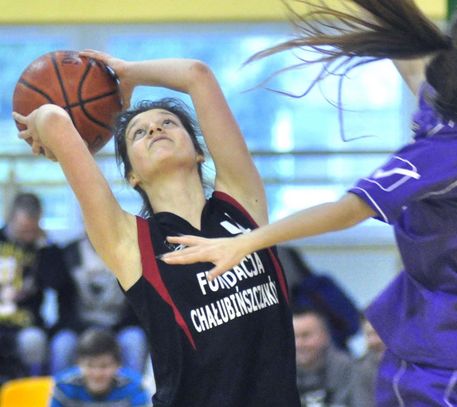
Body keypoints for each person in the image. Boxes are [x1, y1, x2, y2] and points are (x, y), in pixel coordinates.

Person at [155, 1, 457, 405]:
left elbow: (411, 63)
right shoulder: (451, 154)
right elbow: (348, 209)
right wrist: (245, 241)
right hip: (438, 362)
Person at [14, 51, 300, 406]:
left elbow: (197, 75)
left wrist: (130, 71)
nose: (155, 129)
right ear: (132, 175)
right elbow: (55, 119)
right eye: (138, 132)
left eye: (168, 122)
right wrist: (44, 118)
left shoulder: (242, 202)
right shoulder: (132, 243)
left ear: (199, 152)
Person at [50, 234, 147, 374]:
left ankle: (133, 387)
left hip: (120, 325)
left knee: (135, 340)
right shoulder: (69, 253)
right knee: (62, 344)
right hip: (78, 327)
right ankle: (61, 387)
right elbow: (63, 302)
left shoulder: (131, 252)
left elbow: (138, 302)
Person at [0, 192, 72, 381]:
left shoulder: (45, 248)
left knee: (34, 341)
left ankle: (34, 389)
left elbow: (55, 283)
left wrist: (45, 248)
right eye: (23, 229)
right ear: (10, 218)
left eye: (33, 229)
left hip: (27, 322)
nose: (28, 235)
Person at [51, 328, 150, 406]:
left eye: (104, 366)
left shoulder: (134, 387)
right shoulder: (63, 387)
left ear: (118, 365)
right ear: (78, 364)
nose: (97, 374)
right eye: (90, 365)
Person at [293, 307, 356, 407]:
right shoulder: (277, 374)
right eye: (293, 337)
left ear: (325, 336)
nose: (298, 344)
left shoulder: (349, 369)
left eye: (305, 336)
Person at [351, 313, 386, 407]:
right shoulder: (362, 370)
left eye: (377, 333)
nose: (373, 341)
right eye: (368, 335)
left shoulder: (417, 363)